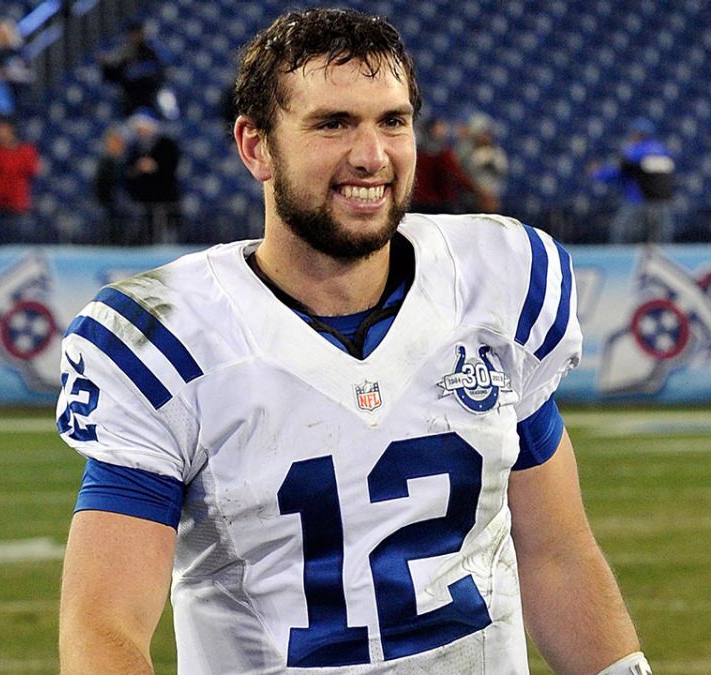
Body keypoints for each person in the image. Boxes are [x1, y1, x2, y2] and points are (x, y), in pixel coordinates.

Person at [56, 8, 650, 675]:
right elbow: (103, 626)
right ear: (256, 147)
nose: (372, 155)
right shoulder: (169, 339)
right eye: (333, 123)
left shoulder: (493, 283)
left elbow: (557, 552)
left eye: (392, 121)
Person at [590, 117, 676, 244]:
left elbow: (618, 171)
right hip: (662, 203)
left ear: (638, 134)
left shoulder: (634, 150)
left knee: (621, 238)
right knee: (662, 242)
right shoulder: (664, 150)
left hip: (637, 201)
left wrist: (597, 173)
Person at [0, 118, 40, 243]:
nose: (0, 132)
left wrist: (11, 151)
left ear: (11, 130)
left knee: (16, 241)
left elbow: (32, 170)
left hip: (17, 204)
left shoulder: (25, 150)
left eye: (3, 129)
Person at [123, 111, 181, 244]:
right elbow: (127, 169)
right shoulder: (135, 147)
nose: (141, 132)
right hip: (143, 197)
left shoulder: (166, 144)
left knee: (166, 230)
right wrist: (138, 168)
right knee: (146, 231)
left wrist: (156, 166)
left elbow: (173, 165)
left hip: (165, 195)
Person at [99, 21, 174, 120]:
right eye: (132, 34)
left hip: (153, 95)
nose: (135, 36)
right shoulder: (123, 54)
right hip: (132, 98)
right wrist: (106, 66)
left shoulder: (153, 50)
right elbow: (112, 78)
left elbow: (165, 65)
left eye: (138, 33)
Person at [410, 117, 481, 213]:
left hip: (419, 202)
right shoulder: (443, 154)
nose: (443, 131)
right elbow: (456, 174)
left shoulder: (415, 152)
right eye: (439, 128)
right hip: (439, 203)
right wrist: (475, 190)